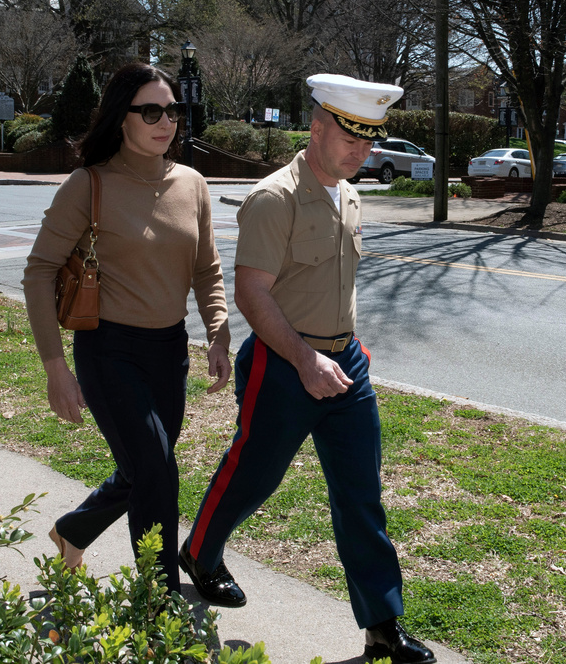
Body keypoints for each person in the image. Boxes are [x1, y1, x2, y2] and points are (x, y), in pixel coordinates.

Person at [180, 74, 436, 664]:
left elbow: (333, 284)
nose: (362, 151)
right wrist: (304, 357)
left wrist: (348, 349)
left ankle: (381, 626)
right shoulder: (276, 198)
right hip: (283, 363)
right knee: (255, 475)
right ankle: (200, 550)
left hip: (345, 365)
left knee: (360, 495)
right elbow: (252, 295)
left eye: (370, 142)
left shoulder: (348, 192)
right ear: (317, 126)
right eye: (351, 138)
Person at [22, 62, 231, 595]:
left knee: (146, 468)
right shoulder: (88, 185)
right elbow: (39, 270)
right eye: (152, 111)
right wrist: (55, 368)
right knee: (157, 473)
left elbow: (206, 267)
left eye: (173, 111)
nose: (167, 122)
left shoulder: (193, 183)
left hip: (170, 352)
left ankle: (72, 531)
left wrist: (219, 330)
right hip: (109, 351)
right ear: (122, 119)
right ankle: (157, 603)